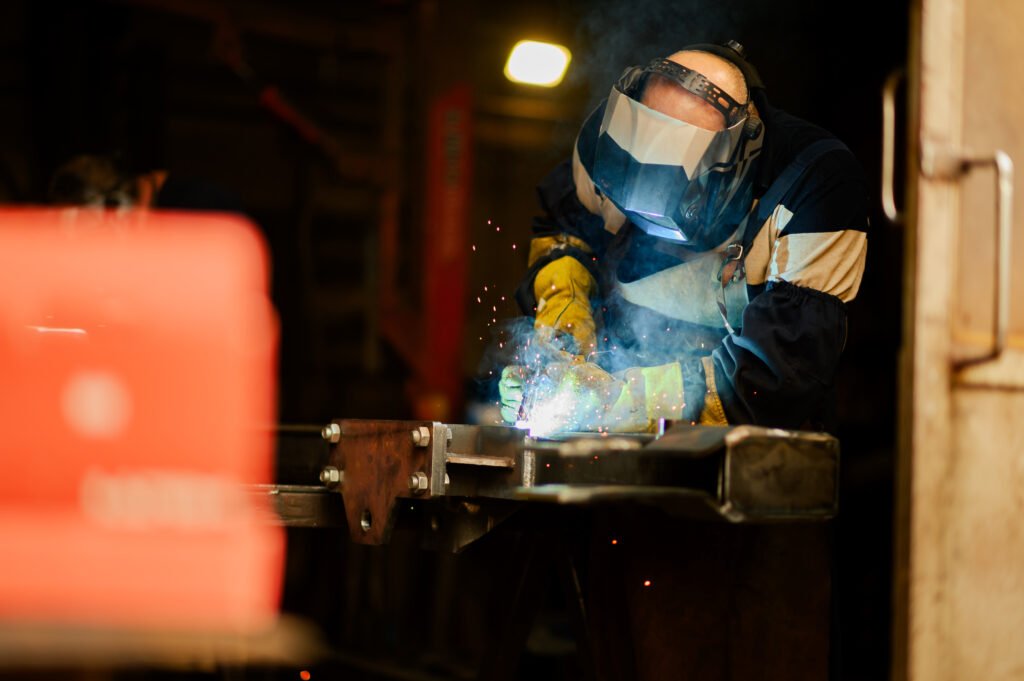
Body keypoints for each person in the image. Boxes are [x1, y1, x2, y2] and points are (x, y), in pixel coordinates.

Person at [499, 40, 868, 433]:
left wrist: (614, 401)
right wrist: (562, 346)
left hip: (755, 453)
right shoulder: (606, 154)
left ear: (732, 163)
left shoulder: (816, 186)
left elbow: (774, 379)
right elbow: (563, 239)